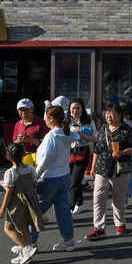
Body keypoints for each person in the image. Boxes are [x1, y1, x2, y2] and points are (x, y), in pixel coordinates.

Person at [31, 105, 83, 252]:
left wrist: (36, 176)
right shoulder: (65, 133)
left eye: (46, 117)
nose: (45, 120)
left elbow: (46, 159)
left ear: (51, 119)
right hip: (64, 176)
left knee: (35, 210)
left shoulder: (52, 136)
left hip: (49, 178)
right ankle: (68, 241)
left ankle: (29, 243)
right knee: (63, 210)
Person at [85, 104, 132, 239]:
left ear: (119, 116)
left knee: (118, 199)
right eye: (107, 113)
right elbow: (97, 149)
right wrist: (93, 166)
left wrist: (123, 152)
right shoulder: (103, 129)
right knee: (98, 198)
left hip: (120, 169)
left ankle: (120, 225)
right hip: (102, 168)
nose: (108, 116)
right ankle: (99, 228)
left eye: (112, 113)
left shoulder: (127, 130)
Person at [0, 143, 42, 264]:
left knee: (8, 228)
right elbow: (35, 184)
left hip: (16, 204)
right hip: (29, 202)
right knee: (24, 227)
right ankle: (25, 253)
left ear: (8, 157)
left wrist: (2, 209)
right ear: (23, 154)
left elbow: (9, 191)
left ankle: (27, 248)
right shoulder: (30, 168)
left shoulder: (10, 172)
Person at [67, 98, 96, 216]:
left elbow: (95, 138)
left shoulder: (88, 120)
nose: (75, 111)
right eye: (73, 108)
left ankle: (70, 208)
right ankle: (79, 203)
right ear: (69, 108)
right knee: (72, 180)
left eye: (78, 108)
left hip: (82, 151)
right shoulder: (66, 120)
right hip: (68, 152)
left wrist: (81, 134)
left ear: (82, 109)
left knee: (74, 181)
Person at [12, 98, 49, 167]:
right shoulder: (18, 124)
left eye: (26, 109)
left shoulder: (41, 123)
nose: (23, 113)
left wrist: (30, 140)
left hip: (38, 159)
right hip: (22, 160)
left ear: (32, 109)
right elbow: (14, 142)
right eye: (21, 110)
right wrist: (17, 143)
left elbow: (47, 143)